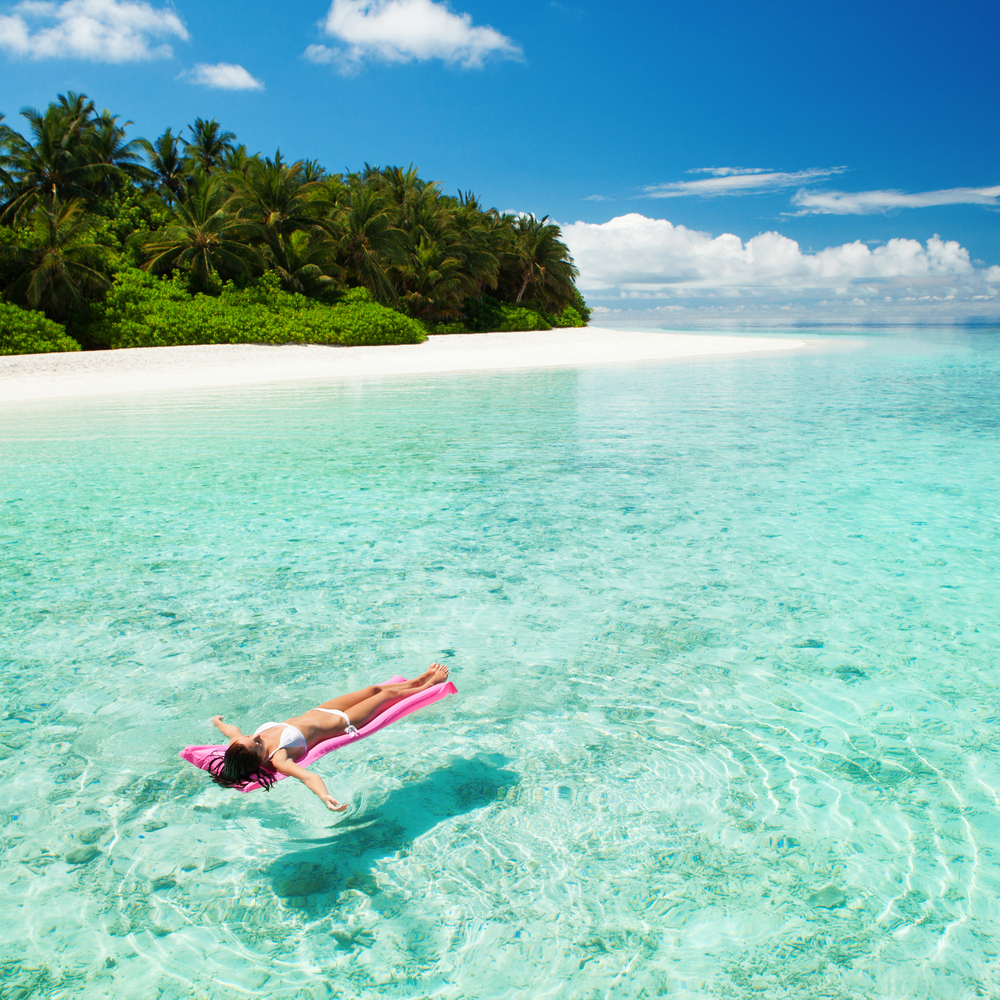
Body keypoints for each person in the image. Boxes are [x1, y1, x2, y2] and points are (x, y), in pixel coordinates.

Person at [208, 663, 449, 809]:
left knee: (374, 689)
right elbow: (308, 777)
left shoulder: (242, 743)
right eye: (258, 744)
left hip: (320, 710)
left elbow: (231, 730)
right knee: (386, 698)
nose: (257, 736)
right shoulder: (277, 758)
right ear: (260, 759)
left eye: (253, 737)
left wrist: (217, 721)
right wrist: (325, 797)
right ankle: (427, 686)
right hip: (344, 722)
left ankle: (418, 679)